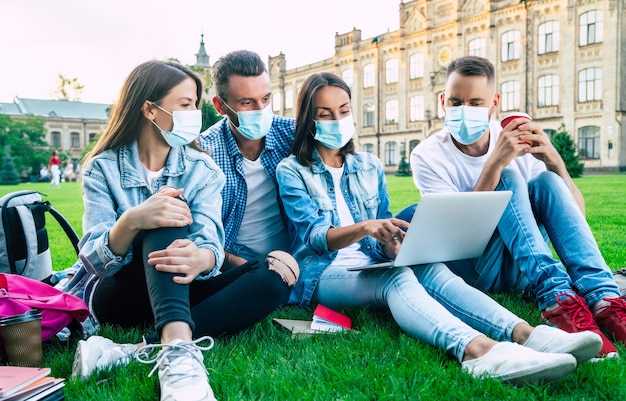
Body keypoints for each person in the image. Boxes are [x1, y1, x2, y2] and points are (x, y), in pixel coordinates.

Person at [276, 72, 602, 384]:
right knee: (396, 277)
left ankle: (527, 335)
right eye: (326, 114)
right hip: (323, 272)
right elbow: (315, 238)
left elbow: (383, 223)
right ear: (309, 121)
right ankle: (477, 351)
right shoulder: (292, 171)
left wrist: (392, 242)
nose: (337, 120)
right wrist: (366, 228)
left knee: (430, 268)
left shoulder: (368, 165)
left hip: (369, 259)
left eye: (343, 110)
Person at [61, 60, 298, 401]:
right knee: (165, 213)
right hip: (120, 294)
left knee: (280, 270)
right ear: (149, 109)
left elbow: (211, 245)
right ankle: (179, 364)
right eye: (185, 105)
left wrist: (200, 257)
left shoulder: (203, 168)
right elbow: (94, 263)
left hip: (181, 288)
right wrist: (132, 221)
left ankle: (131, 351)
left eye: (196, 106)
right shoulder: (103, 167)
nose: (194, 116)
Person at [410, 55, 626, 359]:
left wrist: (553, 160)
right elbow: (457, 239)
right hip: (478, 268)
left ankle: (605, 300)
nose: (464, 111)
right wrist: (495, 164)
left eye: (475, 103)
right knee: (509, 176)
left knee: (547, 183)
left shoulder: (514, 136)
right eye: (456, 102)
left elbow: (575, 217)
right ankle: (556, 299)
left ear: (494, 103)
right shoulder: (427, 155)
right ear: (443, 100)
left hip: (522, 266)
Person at [199, 50, 296, 271]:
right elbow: (197, 231)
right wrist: (241, 267)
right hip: (235, 260)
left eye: (266, 99)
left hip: (294, 252)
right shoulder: (204, 151)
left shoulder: (292, 134)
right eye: (247, 103)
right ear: (220, 106)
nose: (261, 110)